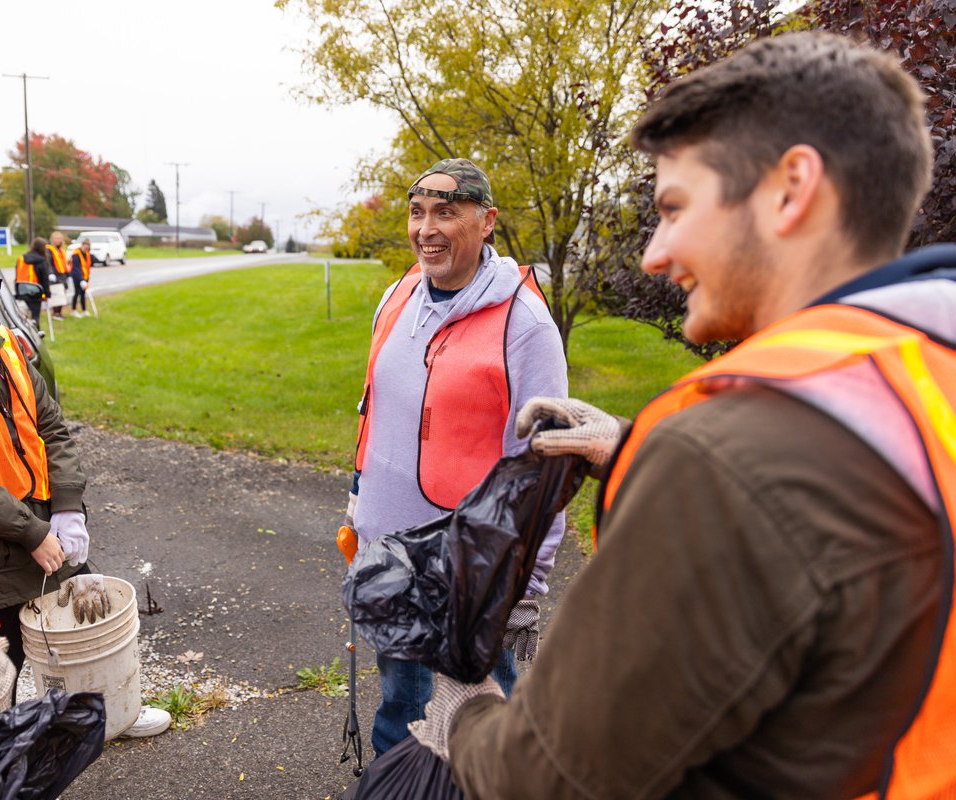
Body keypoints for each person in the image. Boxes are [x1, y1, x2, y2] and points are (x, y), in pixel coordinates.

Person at [409, 32, 956, 798]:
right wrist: (635, 445)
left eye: (674, 207)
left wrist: (466, 710)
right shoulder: (921, 369)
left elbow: (552, 778)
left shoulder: (728, 457)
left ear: (791, 189)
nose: (654, 254)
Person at [0, 228, 171, 736]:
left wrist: (66, 509)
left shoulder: (1, 344)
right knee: (2, 659)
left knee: (86, 619)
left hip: (42, 514)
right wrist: (30, 533)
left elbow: (53, 428)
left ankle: (108, 714)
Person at [349, 157, 567, 756]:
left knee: (482, 727)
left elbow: (545, 462)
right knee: (402, 708)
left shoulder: (525, 325)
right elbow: (376, 409)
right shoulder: (397, 294)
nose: (428, 229)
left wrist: (528, 585)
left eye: (447, 212)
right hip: (388, 560)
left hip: (469, 572)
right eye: (418, 213)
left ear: (487, 221)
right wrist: (358, 499)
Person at [15, 236, 51, 322]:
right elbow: (45, 279)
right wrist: (47, 294)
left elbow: (16, 275)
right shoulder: (42, 260)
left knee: (23, 318)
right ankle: (36, 332)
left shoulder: (21, 258)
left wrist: (17, 291)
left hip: (22, 290)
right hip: (36, 291)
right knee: (35, 317)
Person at [46, 230, 70, 318]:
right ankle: (55, 313)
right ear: (52, 239)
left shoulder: (61, 250)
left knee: (62, 294)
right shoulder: (48, 249)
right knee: (56, 294)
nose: (58, 240)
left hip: (63, 275)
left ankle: (59, 312)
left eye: (59, 238)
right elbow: (48, 262)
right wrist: (51, 273)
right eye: (56, 238)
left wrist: (68, 274)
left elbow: (65, 263)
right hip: (55, 275)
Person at [70, 237, 91, 317]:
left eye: (87, 248)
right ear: (82, 245)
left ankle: (84, 310)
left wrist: (85, 279)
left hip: (85, 277)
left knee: (83, 294)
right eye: (85, 247)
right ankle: (73, 310)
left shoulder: (87, 254)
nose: (86, 249)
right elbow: (76, 268)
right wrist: (81, 280)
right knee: (77, 293)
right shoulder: (76, 255)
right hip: (77, 277)